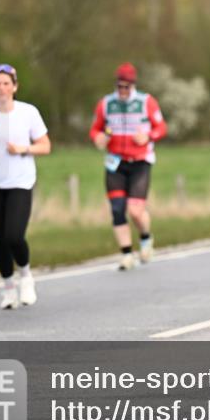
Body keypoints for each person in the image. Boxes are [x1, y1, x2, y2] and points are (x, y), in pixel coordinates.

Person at [0, 64, 51, 309]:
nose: (1, 88)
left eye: (6, 83)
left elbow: (45, 146)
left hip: (19, 182)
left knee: (14, 235)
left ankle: (25, 275)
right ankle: (8, 288)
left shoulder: (28, 112)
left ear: (15, 87)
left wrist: (24, 149)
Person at [90, 63, 168, 271]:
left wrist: (148, 136)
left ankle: (145, 238)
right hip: (115, 163)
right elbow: (95, 129)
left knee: (135, 210)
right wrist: (98, 138)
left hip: (140, 162)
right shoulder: (106, 103)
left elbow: (162, 127)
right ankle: (126, 254)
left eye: (126, 87)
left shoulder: (146, 102)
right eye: (119, 86)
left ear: (133, 85)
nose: (122, 91)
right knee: (117, 209)